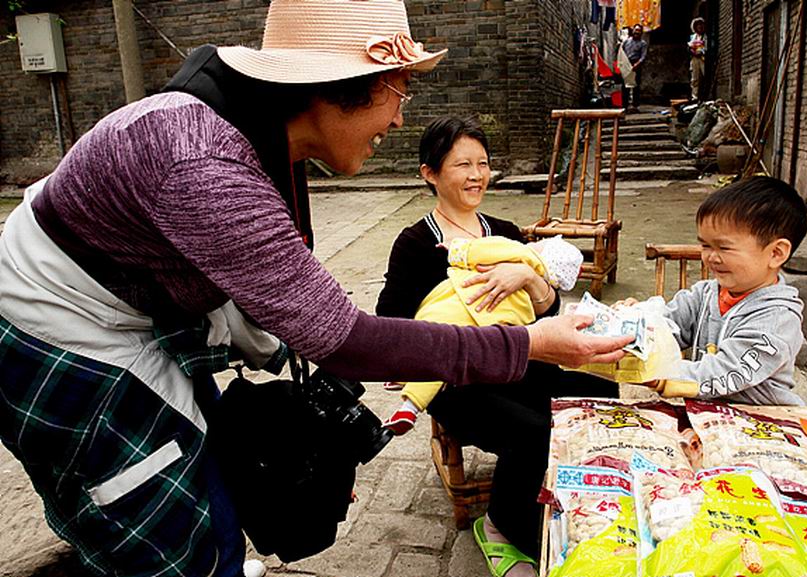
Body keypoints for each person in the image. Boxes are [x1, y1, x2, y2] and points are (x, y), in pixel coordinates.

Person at [0, 2, 633, 577]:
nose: (402, 114)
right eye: (399, 89)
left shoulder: (258, 135)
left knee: (212, 471)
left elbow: (292, 298)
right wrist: (526, 344)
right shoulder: (203, 163)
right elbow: (346, 339)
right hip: (58, 335)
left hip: (132, 311)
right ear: (335, 88)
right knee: (154, 513)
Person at [376, 116, 619, 577]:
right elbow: (393, 324)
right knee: (531, 432)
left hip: (520, 358)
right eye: (462, 164)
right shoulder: (415, 244)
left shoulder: (504, 230)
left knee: (598, 395)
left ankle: (584, 487)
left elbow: (545, 315)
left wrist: (528, 278)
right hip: (457, 381)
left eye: (483, 164)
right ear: (430, 173)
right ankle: (503, 526)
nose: (476, 175)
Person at [622, 176, 807, 405]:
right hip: (709, 414)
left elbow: (724, 372)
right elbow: (669, 324)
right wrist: (636, 323)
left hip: (761, 423)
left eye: (724, 247)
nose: (711, 257)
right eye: (705, 245)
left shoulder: (778, 319)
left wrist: (659, 374)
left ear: (776, 253)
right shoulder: (706, 294)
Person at [384, 234, 584, 434]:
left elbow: (482, 250)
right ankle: (408, 391)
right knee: (444, 353)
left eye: (541, 243)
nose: (534, 243)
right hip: (476, 371)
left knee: (440, 348)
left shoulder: (517, 249)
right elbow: (391, 315)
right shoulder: (413, 240)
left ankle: (408, 399)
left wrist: (457, 249)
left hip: (501, 354)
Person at [619, 24, 648, 112]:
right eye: (636, 30)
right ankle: (624, 106)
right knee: (625, 86)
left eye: (639, 30)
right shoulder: (626, 42)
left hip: (636, 65)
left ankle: (635, 106)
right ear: (633, 31)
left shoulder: (643, 44)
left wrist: (636, 64)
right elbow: (621, 52)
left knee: (636, 86)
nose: (637, 32)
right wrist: (621, 64)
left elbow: (643, 56)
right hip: (626, 64)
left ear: (641, 33)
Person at [688, 17, 707, 101]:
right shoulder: (693, 37)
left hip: (703, 58)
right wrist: (692, 51)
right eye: (697, 25)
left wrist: (702, 52)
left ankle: (705, 96)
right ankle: (694, 97)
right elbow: (689, 47)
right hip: (694, 58)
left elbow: (707, 47)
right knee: (695, 79)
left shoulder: (706, 36)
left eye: (701, 25)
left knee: (705, 76)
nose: (699, 27)